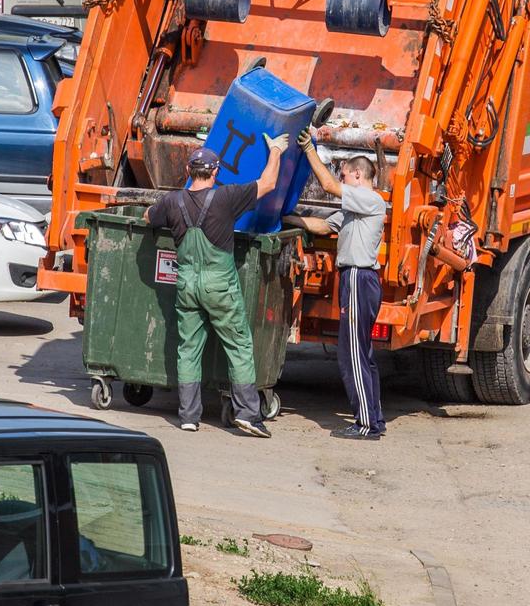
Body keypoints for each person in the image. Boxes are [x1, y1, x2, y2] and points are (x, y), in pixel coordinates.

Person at [146, 137, 288, 436]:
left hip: (186, 284)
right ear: (215, 172)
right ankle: (248, 413)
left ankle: (188, 416)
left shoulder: (172, 201)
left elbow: (149, 217)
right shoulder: (226, 198)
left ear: (188, 169)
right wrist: (275, 149)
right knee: (238, 346)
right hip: (219, 285)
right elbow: (268, 183)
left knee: (188, 349)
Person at [284, 131, 387, 440]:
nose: (341, 180)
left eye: (345, 175)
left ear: (358, 175)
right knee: (360, 354)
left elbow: (328, 185)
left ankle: (366, 424)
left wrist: (307, 150)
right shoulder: (355, 210)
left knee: (352, 355)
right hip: (356, 280)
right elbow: (322, 225)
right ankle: (372, 419)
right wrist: (286, 218)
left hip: (359, 277)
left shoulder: (370, 199)